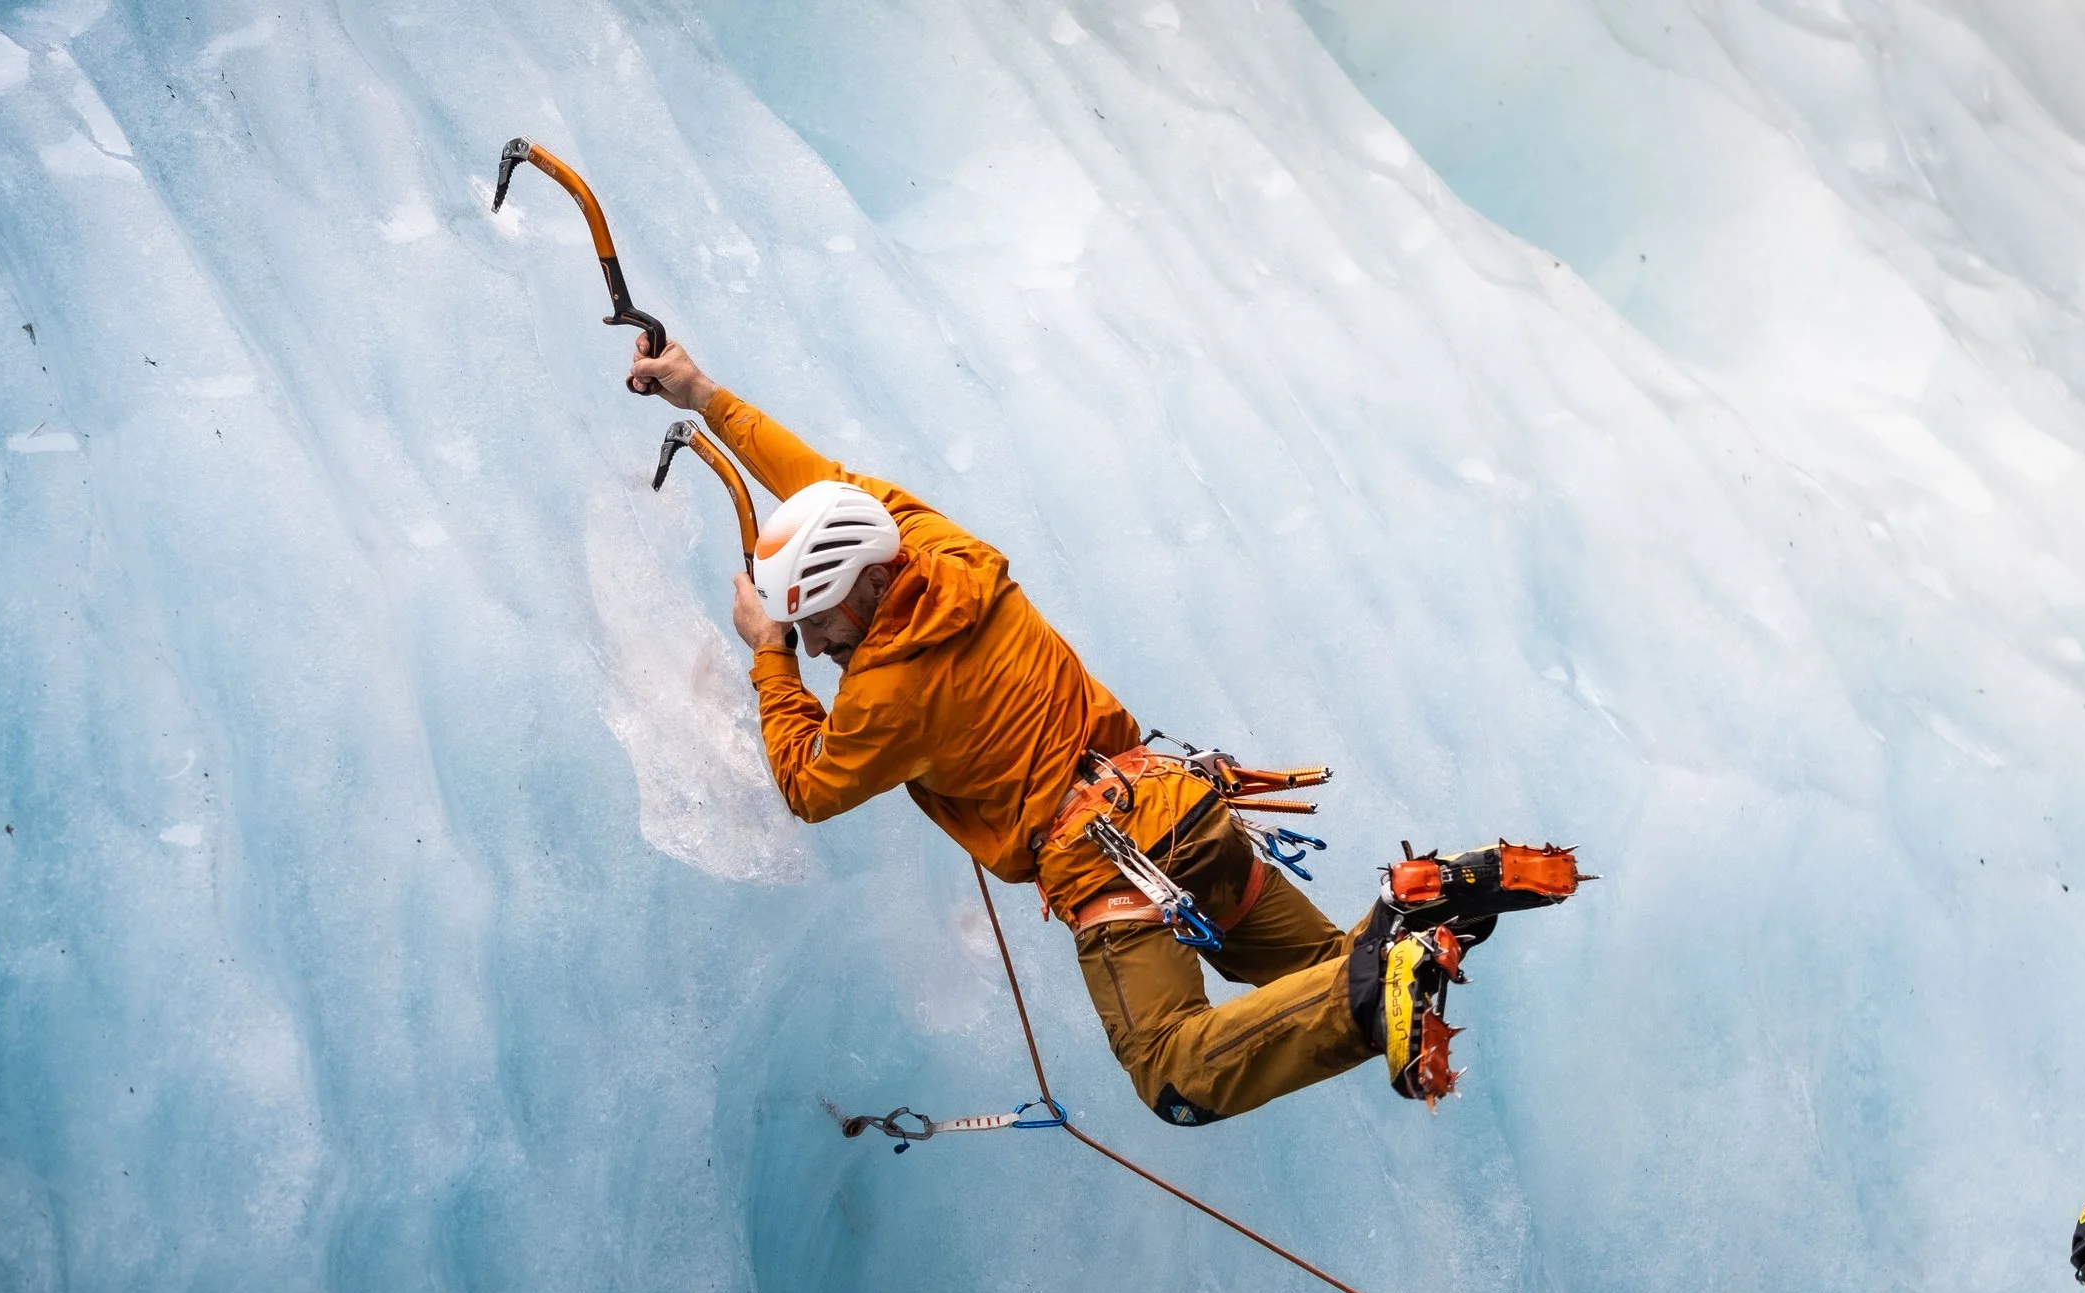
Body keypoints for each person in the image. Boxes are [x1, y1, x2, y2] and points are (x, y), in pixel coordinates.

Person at [626, 336, 1577, 1123]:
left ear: (871, 585)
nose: (819, 643)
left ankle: (1388, 961)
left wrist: (769, 657)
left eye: (823, 622)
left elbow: (808, 784)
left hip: (1109, 866)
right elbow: (822, 482)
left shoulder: (886, 696)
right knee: (1340, 975)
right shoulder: (931, 540)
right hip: (1182, 811)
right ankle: (1412, 911)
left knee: (1177, 1073)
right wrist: (705, 394)